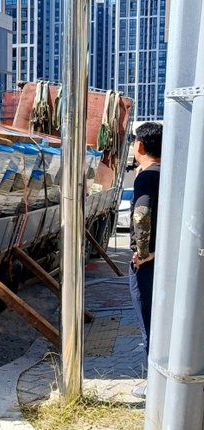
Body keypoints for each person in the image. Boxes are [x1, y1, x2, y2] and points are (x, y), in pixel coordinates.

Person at [129, 122, 162, 398]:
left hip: (148, 266)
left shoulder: (146, 177)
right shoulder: (170, 174)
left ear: (140, 146)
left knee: (149, 322)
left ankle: (155, 384)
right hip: (167, 260)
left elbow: (141, 214)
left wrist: (142, 253)